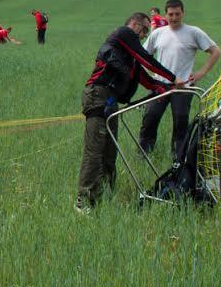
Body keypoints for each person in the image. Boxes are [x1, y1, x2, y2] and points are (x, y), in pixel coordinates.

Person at [76, 12, 181, 213]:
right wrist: (172, 77)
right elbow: (147, 59)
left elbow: (146, 79)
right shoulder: (123, 34)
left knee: (109, 152)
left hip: (110, 100)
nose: (143, 35)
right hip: (98, 95)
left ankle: (105, 198)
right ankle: (84, 202)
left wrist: (166, 87)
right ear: (133, 24)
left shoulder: (129, 58)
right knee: (95, 151)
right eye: (143, 30)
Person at [139, 0, 221, 161]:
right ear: (165, 14)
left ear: (183, 13)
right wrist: (150, 75)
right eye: (171, 14)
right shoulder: (158, 33)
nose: (174, 17)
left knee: (180, 122)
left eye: (177, 14)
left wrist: (201, 73)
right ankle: (143, 155)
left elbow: (216, 52)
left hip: (183, 87)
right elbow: (142, 55)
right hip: (160, 86)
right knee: (150, 118)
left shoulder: (194, 32)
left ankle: (178, 158)